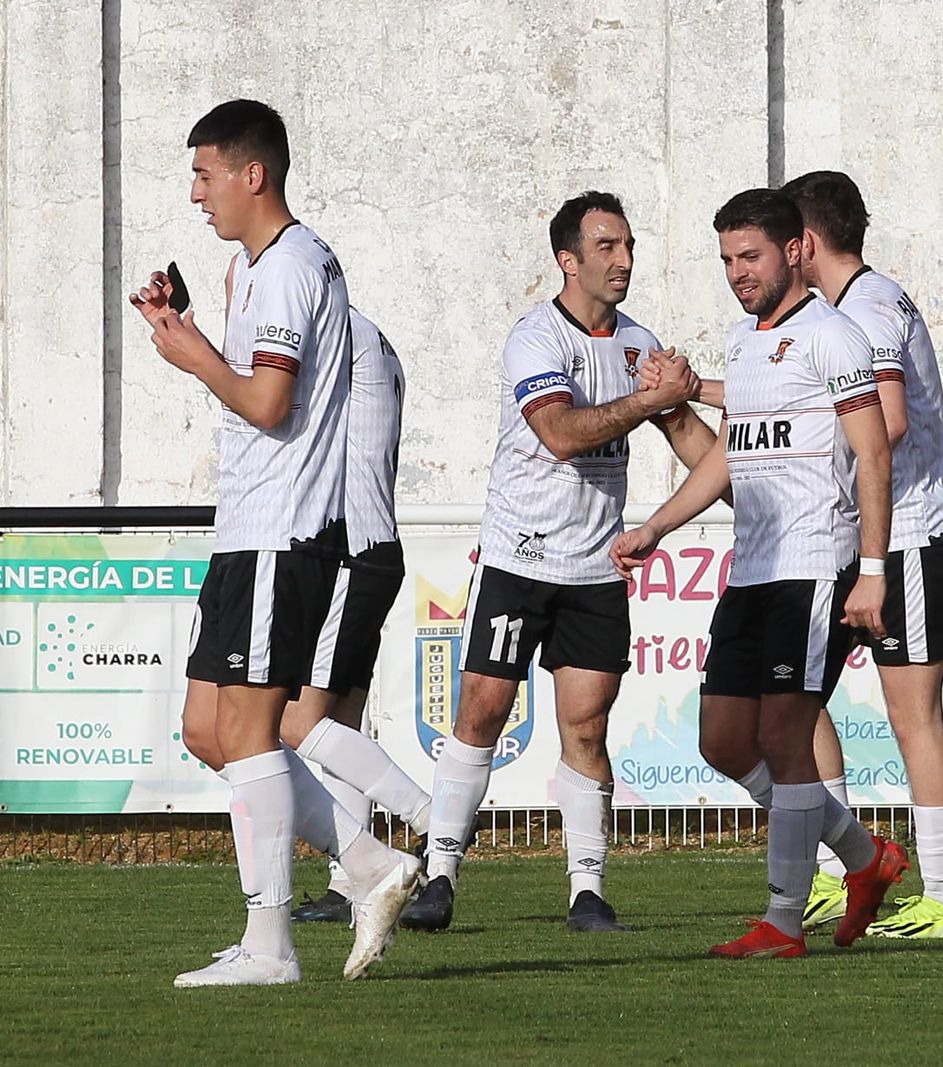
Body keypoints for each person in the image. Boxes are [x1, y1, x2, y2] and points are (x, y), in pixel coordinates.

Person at [132, 100, 418, 986]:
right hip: (249, 527)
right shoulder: (262, 267)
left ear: (253, 174)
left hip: (284, 530)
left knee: (253, 731)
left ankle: (272, 944)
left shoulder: (293, 266)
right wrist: (196, 331)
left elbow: (267, 402)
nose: (196, 195)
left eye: (205, 174)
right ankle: (371, 864)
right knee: (210, 728)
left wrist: (193, 357)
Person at [399, 191, 715, 933]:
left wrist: (761, 481)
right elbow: (563, 434)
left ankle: (587, 890)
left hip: (596, 570)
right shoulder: (535, 338)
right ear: (567, 261)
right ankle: (439, 874)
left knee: (587, 725)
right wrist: (648, 403)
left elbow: (702, 451)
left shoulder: (643, 346)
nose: (624, 260)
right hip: (520, 559)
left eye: (628, 244)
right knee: (481, 708)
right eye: (607, 247)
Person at [611, 187, 908, 958]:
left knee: (784, 734)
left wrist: (871, 570)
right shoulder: (745, 345)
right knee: (721, 739)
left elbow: (874, 452)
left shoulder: (834, 337)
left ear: (794, 251)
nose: (738, 273)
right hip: (753, 568)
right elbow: (728, 455)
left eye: (751, 256)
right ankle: (863, 857)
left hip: (816, 564)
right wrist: (657, 525)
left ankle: (782, 919)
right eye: (728, 261)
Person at [285, 308, 435, 925]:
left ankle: (434, 817)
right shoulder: (370, 334)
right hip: (369, 548)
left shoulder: (332, 334)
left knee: (295, 723)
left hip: (349, 550)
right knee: (339, 723)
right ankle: (351, 887)